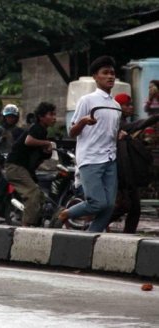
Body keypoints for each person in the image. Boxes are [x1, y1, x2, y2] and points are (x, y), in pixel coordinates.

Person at [57, 56, 122, 232]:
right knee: (97, 203)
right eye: (105, 73)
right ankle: (66, 214)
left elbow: (112, 132)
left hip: (110, 159)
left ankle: (89, 240)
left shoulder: (116, 106)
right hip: (90, 158)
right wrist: (83, 121)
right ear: (95, 76)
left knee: (108, 207)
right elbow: (72, 132)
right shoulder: (87, 100)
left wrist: (119, 135)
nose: (110, 77)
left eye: (112, 73)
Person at [111, 93, 159, 233]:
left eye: (131, 104)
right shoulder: (116, 122)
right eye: (127, 104)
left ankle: (127, 237)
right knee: (126, 206)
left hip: (128, 170)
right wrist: (155, 118)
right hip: (120, 170)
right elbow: (136, 125)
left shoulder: (123, 122)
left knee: (134, 208)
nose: (130, 107)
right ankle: (95, 226)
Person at [4, 102, 57, 226]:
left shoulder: (42, 131)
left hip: (24, 168)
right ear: (41, 117)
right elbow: (29, 141)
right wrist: (46, 143)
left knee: (40, 196)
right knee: (32, 193)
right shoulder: (36, 128)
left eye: (54, 114)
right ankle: (26, 227)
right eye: (51, 114)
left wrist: (46, 149)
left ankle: (36, 222)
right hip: (15, 167)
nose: (54, 117)